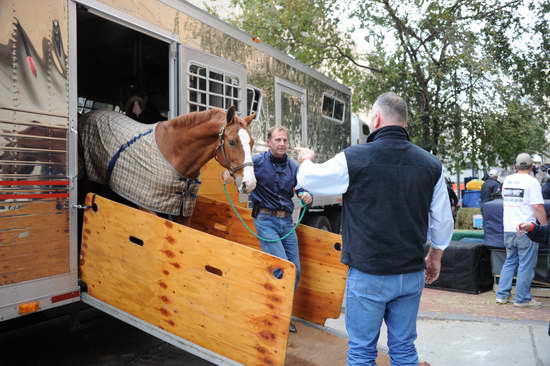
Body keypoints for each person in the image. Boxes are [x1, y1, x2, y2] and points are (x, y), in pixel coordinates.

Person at [295, 92, 453, 365]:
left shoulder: (355, 158)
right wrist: (435, 256)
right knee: (404, 350)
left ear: (376, 119)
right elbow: (442, 219)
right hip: (410, 274)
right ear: (404, 122)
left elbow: (310, 180)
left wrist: (307, 159)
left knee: (361, 351)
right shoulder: (431, 165)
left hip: (369, 274)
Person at [247, 126, 312, 333]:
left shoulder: (294, 167)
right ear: (269, 142)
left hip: (286, 223)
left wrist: (306, 196)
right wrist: (228, 176)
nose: (282, 143)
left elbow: (301, 188)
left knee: (297, 271)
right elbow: (239, 173)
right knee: (282, 268)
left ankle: (281, 313)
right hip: (265, 220)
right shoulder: (256, 162)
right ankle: (275, 316)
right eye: (278, 140)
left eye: (285, 140)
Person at [495, 153, 547, 307]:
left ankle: (502, 295)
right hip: (527, 230)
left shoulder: (507, 181)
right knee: (526, 264)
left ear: (515, 166)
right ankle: (522, 299)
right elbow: (537, 206)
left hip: (509, 228)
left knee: (510, 261)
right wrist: (544, 228)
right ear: (532, 166)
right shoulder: (532, 182)